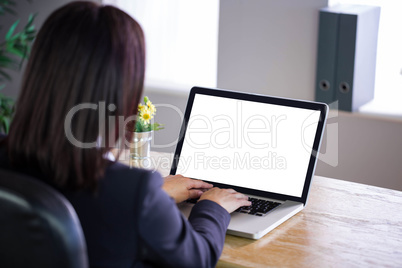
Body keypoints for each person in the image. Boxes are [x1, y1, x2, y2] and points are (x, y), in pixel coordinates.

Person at [0, 1, 251, 267]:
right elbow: (198, 259)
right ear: (122, 92)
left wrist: (156, 197)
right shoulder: (133, 191)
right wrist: (213, 207)